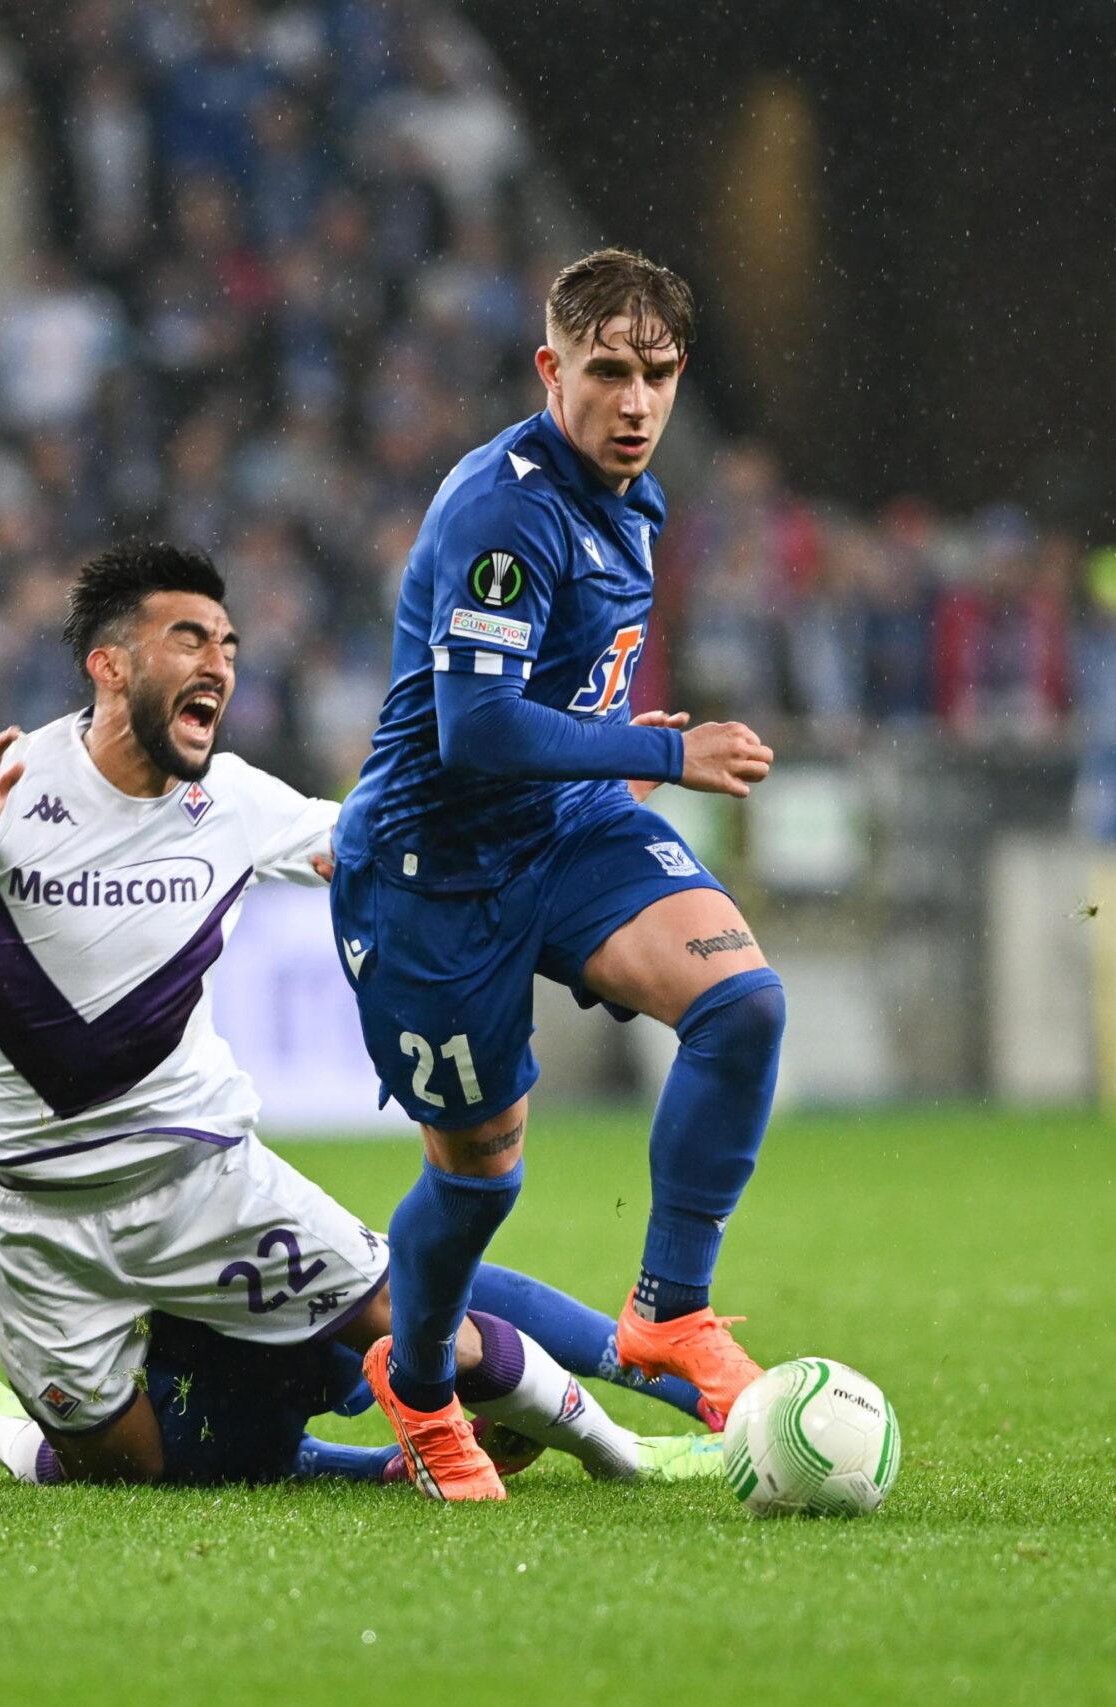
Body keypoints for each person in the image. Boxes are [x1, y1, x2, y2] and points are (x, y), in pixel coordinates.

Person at [0, 542, 632, 1486]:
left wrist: (564, 812)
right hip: (28, 1220)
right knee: (129, 1470)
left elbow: (376, 847)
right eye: (188, 638)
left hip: (201, 1177)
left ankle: (628, 1454)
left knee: (428, 1325)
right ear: (111, 664)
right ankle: (17, 1429)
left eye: (227, 642)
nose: (219, 660)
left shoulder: (235, 800)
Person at [331, 248, 786, 1502]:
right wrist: (664, 749)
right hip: (430, 875)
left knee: (741, 1006)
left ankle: (667, 1312)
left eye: (658, 375)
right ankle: (420, 1390)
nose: (634, 402)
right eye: (606, 373)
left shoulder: (633, 499)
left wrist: (616, 767)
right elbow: (472, 730)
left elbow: (561, 687)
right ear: (552, 370)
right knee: (480, 1178)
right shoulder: (502, 511)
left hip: (564, 825)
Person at [0, 912, 717, 1486]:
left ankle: (6, 1425)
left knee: (118, 1463)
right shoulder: (7, 996)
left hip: (150, 1325)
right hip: (223, 1216)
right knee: (404, 1285)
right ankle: (685, 1398)